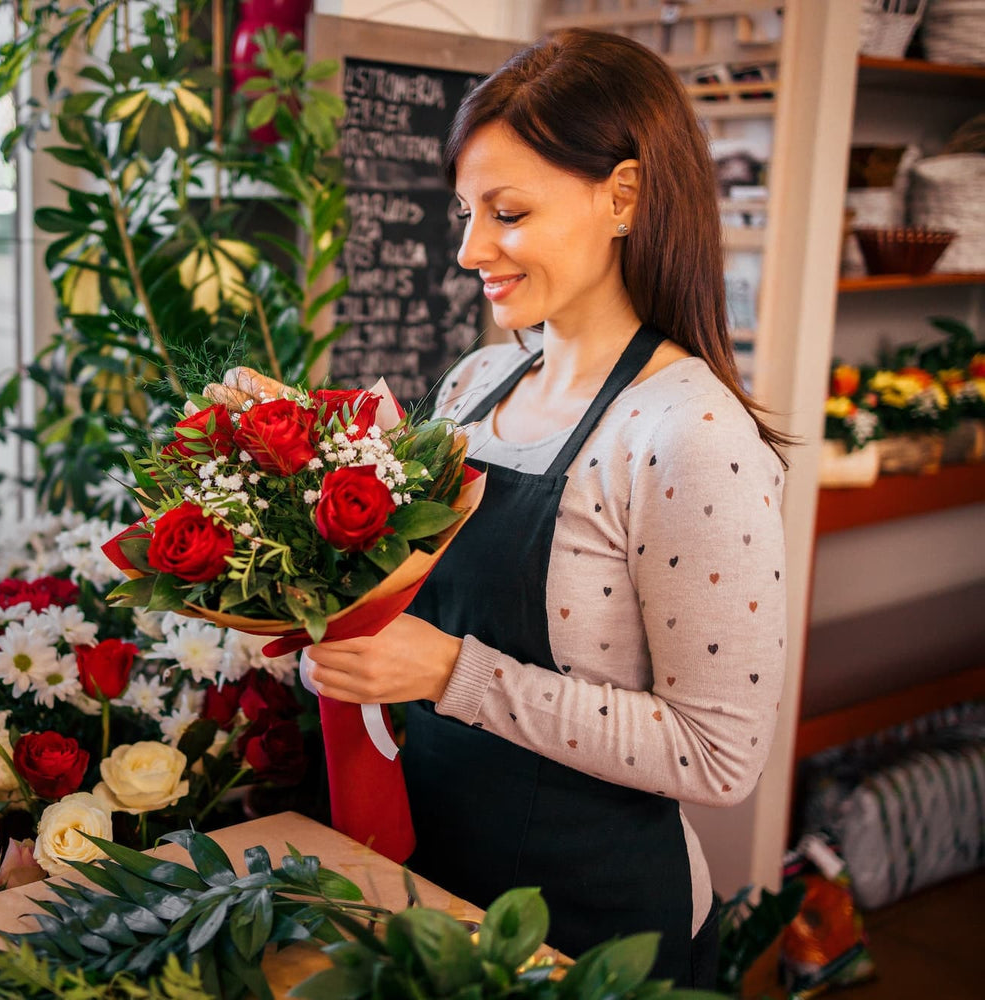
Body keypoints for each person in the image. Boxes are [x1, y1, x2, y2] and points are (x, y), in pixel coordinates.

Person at [304, 28, 790, 988]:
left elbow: (718, 756)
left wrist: (452, 673)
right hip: (434, 888)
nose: (470, 248)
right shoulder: (475, 385)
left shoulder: (689, 434)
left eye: (508, 212)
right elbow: (414, 620)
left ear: (622, 196)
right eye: (465, 212)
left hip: (594, 931)